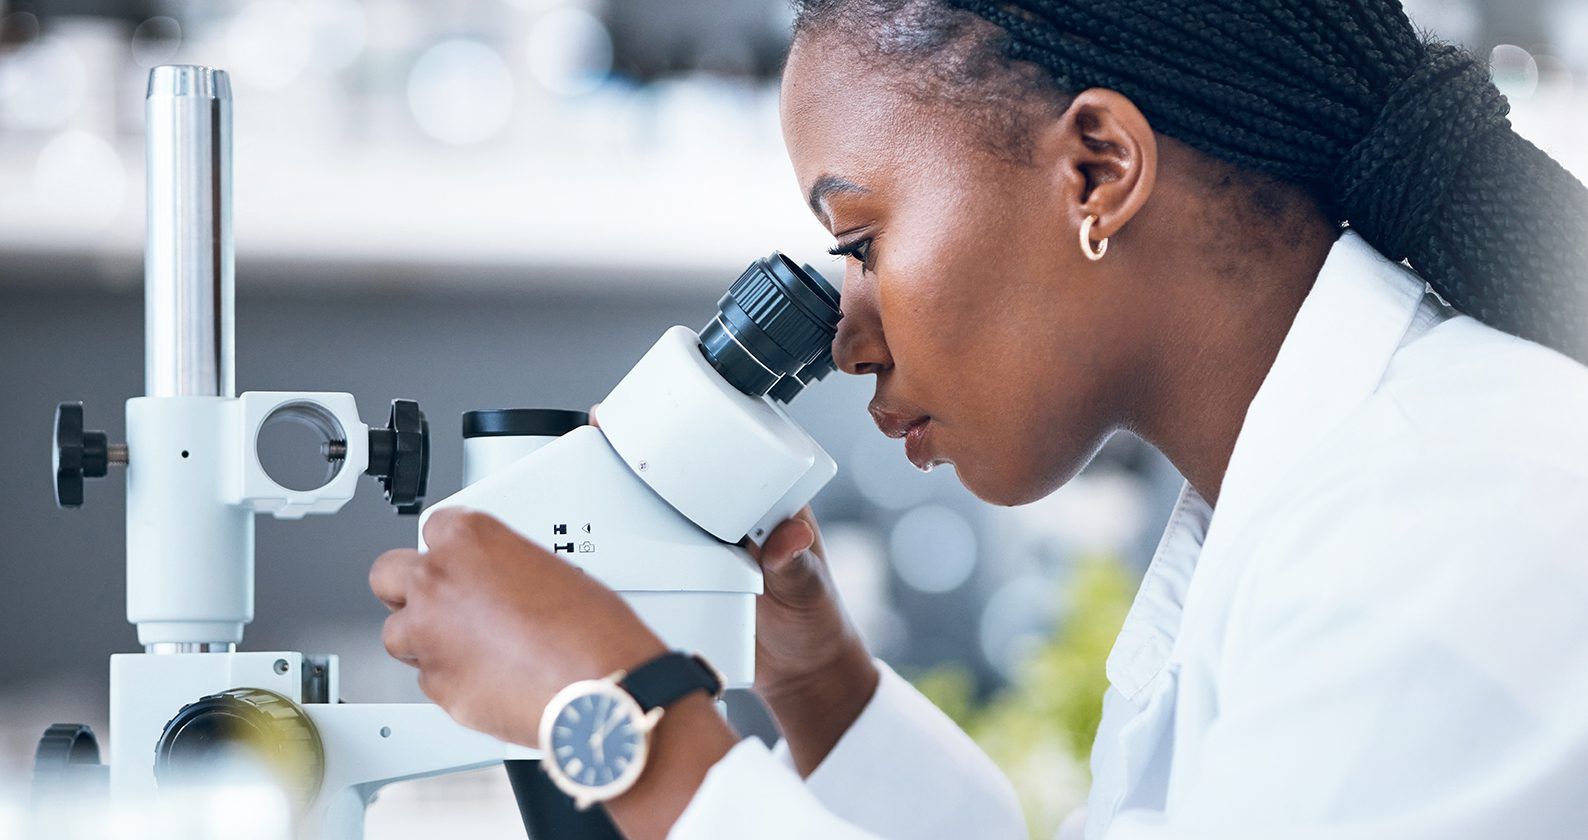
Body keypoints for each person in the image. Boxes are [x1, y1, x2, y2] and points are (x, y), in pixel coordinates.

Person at [366, 1, 1588, 837]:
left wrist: (618, 724)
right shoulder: (1316, 496)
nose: (843, 335)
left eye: (861, 241)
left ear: (1098, 170)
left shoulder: (1449, 517)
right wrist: (817, 678)